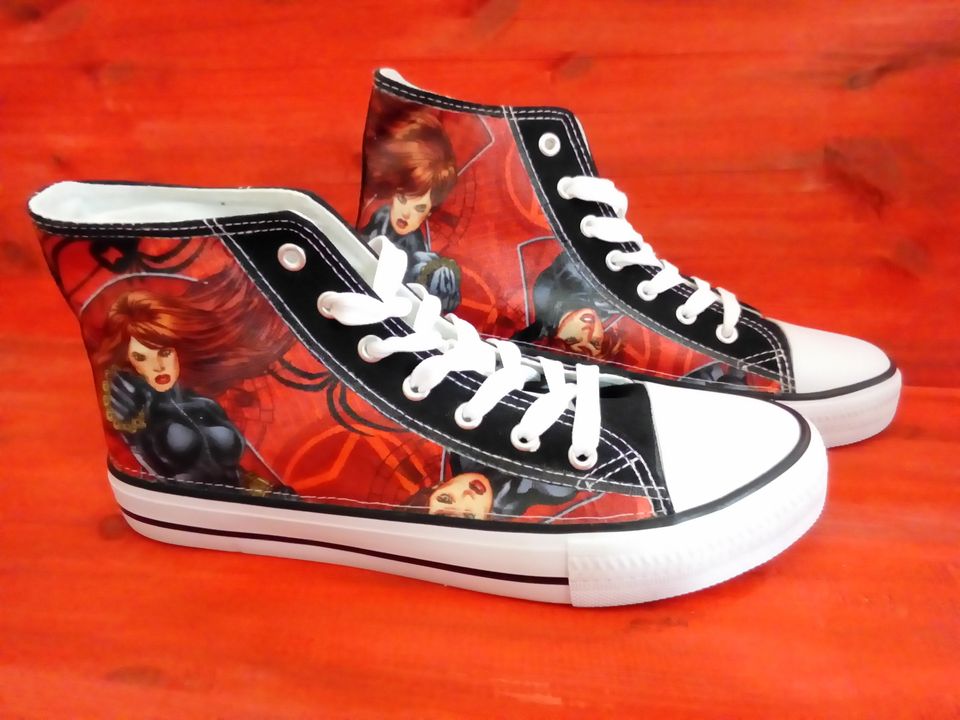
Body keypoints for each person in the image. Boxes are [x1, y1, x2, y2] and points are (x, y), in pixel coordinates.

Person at [93, 266, 295, 496]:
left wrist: (268, 493)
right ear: (130, 362)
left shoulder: (203, 404)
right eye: (141, 358)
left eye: (164, 353)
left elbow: (232, 472)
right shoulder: (136, 409)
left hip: (237, 500)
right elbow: (126, 421)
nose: (157, 366)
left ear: (177, 350)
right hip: (179, 501)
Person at [360, 108, 462, 312]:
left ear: (429, 212)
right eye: (402, 199)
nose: (406, 214)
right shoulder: (381, 218)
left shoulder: (416, 252)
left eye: (419, 207)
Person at [513, 253, 624, 360]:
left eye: (572, 339)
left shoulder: (547, 291)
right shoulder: (614, 307)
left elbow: (578, 258)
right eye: (595, 343)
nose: (588, 332)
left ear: (554, 333)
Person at [406, 455, 578, 521]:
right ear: (486, 518)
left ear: (437, 486)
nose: (467, 496)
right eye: (469, 515)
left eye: (446, 498)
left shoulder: (460, 448)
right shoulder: (556, 488)